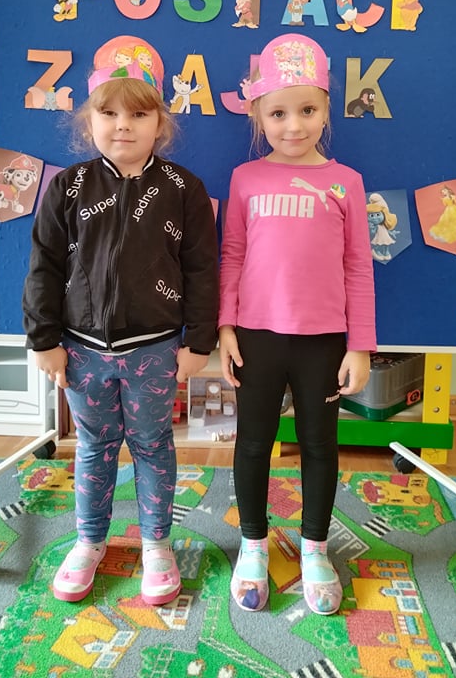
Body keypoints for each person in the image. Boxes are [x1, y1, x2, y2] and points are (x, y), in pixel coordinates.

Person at [22, 37, 219, 605]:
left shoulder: (184, 190)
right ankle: (89, 541)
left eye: (138, 113)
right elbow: (44, 267)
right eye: (108, 113)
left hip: (155, 350)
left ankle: (157, 544)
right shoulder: (68, 187)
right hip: (80, 350)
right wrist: (44, 340)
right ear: (89, 120)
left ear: (161, 123)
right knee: (94, 445)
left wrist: (198, 341)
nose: (123, 125)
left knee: (154, 445)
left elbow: (203, 270)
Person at [218, 34, 376, 616]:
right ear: (259, 116)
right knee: (254, 443)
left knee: (318, 444)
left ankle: (315, 549)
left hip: (324, 342)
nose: (293, 126)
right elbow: (232, 255)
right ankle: (252, 546)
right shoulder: (244, 178)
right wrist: (225, 326)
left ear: (327, 111)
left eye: (307, 110)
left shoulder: (346, 181)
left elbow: (359, 266)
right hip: (256, 338)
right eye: (279, 113)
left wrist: (360, 345)